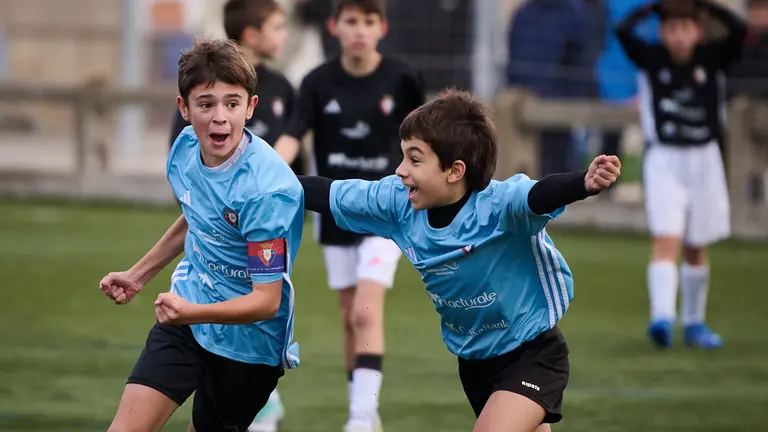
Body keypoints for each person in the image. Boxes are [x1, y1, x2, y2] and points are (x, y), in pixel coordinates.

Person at [296, 89, 621, 432]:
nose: (401, 169)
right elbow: (330, 192)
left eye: (415, 159)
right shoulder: (397, 202)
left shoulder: (499, 205)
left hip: (533, 351)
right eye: (403, 156)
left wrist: (582, 183)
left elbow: (538, 194)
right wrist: (265, 182)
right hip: (474, 361)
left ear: (454, 170)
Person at [100, 38, 303, 432]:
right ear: (184, 108)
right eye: (206, 104)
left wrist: (191, 312)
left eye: (232, 103)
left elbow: (265, 301)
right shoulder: (184, 150)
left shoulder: (266, 191)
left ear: (251, 107)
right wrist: (139, 275)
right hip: (189, 315)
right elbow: (198, 215)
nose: (219, 117)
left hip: (249, 346)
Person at [273, 1, 425, 430]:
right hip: (336, 208)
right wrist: (264, 175)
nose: (360, 30)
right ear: (334, 27)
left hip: (389, 210)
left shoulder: (404, 78)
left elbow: (427, 136)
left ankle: (362, 415)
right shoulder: (317, 82)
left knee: (364, 310)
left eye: (369, 22)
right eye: (351, 22)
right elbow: (292, 135)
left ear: (383, 27)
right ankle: (362, 406)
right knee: (347, 314)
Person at [616, 0, 746, 349]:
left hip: (704, 160)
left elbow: (740, 29)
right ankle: (661, 317)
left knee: (695, 245)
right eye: (671, 29)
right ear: (662, 32)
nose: (678, 37)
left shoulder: (713, 59)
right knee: (666, 238)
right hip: (664, 159)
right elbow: (622, 30)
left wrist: (704, 6)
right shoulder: (651, 58)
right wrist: (655, 7)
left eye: (686, 28)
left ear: (698, 32)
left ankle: (694, 323)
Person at [169, 0, 304, 178]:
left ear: (250, 105)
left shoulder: (281, 86)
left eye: (232, 103)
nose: (284, 36)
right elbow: (180, 153)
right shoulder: (204, 79)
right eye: (277, 28)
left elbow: (295, 148)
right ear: (251, 36)